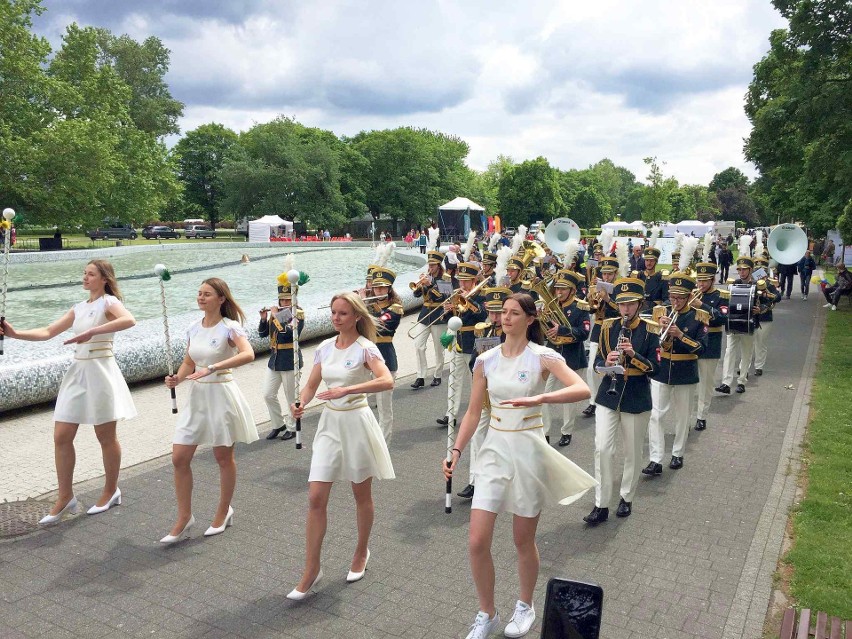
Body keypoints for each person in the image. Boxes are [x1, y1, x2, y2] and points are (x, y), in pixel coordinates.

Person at [443, 294, 596, 639]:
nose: (505, 318)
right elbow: (473, 411)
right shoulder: (485, 360)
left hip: (528, 449)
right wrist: (456, 450)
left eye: (514, 313)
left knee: (522, 540)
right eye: (502, 313)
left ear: (530, 319)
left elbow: (582, 388)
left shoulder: (543, 356)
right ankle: (487, 612)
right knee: (477, 540)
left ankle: (525, 605)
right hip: (495, 450)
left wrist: (541, 397)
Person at [0, 260, 136, 524]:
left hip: (101, 371)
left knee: (105, 436)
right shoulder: (78, 308)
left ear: (104, 279)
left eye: (91, 274)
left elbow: (129, 320)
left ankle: (110, 491)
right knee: (61, 435)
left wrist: (92, 332)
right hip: (78, 372)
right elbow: (48, 331)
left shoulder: (108, 303)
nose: (85, 278)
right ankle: (65, 497)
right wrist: (14, 333)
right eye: (84, 273)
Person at [287, 292, 394, 600]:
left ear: (357, 317)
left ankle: (361, 551)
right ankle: (311, 569)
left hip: (357, 423)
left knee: (361, 493)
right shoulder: (323, 348)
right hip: (330, 426)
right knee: (316, 496)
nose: (336, 318)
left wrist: (348, 388)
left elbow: (386, 380)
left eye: (343, 313)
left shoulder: (366, 349)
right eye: (334, 312)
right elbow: (310, 385)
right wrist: (301, 403)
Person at [161, 278, 258, 544]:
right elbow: (188, 361)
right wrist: (177, 379)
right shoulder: (193, 327)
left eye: (207, 294)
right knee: (179, 457)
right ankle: (184, 517)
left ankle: (223, 510)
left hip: (221, 394)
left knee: (223, 457)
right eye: (199, 293)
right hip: (197, 397)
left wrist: (214, 368)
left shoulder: (230, 327)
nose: (201, 298)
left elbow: (248, 353)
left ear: (221, 299)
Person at [584, 277, 659, 524]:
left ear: (640, 304)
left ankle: (626, 497)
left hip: (636, 397)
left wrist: (632, 355)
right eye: (621, 304)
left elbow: (655, 369)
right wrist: (605, 364)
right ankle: (601, 503)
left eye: (630, 304)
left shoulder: (650, 330)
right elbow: (596, 364)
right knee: (602, 449)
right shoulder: (607, 326)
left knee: (633, 453)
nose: (625, 309)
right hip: (608, 394)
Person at [643, 273, 707, 474]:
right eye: (672, 297)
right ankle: (655, 459)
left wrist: (681, 335)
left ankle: (678, 453)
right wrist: (657, 330)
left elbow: (701, 348)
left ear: (689, 297)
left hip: (685, 372)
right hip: (662, 371)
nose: (675, 302)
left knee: (682, 416)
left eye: (680, 298)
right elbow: (651, 342)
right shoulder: (660, 312)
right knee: (656, 415)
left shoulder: (699, 316)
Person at [457, 286, 510, 500]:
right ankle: (474, 481)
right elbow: (473, 362)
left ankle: (504, 478)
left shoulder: (514, 335)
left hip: (506, 396)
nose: (496, 317)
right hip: (485, 395)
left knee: (503, 440)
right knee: (478, 437)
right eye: (493, 312)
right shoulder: (484, 331)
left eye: (500, 312)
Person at [543, 270, 591, 448]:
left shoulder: (580, 308)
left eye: (563, 289)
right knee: (545, 395)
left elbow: (584, 333)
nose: (559, 292)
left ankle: (566, 431)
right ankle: (545, 432)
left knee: (568, 399)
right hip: (552, 357)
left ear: (572, 290)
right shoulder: (551, 306)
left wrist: (562, 330)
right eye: (557, 289)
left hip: (572, 358)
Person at [437, 263, 487, 429]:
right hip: (458, 342)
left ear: (474, 280)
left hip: (474, 343)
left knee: (476, 382)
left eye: (466, 281)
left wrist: (468, 299)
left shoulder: (482, 295)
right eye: (460, 281)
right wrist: (447, 311)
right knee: (454, 380)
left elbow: (482, 313)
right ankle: (450, 415)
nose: (462, 285)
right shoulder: (456, 295)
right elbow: (450, 322)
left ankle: (478, 413)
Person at [258, 274, 305, 441]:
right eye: (282, 300)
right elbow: (263, 334)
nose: (285, 303)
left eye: (287, 300)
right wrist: (264, 319)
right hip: (275, 360)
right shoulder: (278, 314)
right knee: (268, 394)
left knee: (291, 397)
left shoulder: (297, 313)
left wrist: (276, 316)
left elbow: (288, 334)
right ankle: (278, 424)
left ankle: (292, 427)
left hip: (290, 360)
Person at [367, 267, 403, 443]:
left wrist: (362, 305)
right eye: (376, 287)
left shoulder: (395, 308)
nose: (378, 291)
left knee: (384, 408)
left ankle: (384, 445)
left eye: (382, 287)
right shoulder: (368, 305)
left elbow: (380, 324)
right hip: (366, 360)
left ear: (389, 289)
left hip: (385, 359)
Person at [691, 263, 728, 431]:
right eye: (699, 280)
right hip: (691, 343)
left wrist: (702, 306)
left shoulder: (721, 295)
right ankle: (688, 416)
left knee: (706, 383)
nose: (701, 284)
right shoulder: (691, 294)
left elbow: (722, 318)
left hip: (710, 343)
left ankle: (701, 416)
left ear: (713, 280)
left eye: (705, 281)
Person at [582, 255, 620, 419]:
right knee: (592, 368)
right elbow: (590, 310)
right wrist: (592, 299)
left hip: (614, 328)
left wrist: (608, 299)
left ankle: (613, 396)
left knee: (613, 365)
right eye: (604, 274)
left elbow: (621, 310)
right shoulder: (596, 286)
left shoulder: (620, 288)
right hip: (598, 327)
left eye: (609, 274)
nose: (606, 277)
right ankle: (593, 401)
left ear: (615, 273)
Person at [716, 255, 758, 395]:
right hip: (733, 323)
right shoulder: (733, 285)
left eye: (744, 269)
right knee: (729, 352)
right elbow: (726, 301)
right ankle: (726, 383)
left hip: (748, 323)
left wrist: (761, 308)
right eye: (739, 269)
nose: (741, 272)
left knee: (746, 353)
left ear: (750, 270)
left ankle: (741, 382)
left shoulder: (758, 285)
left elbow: (770, 299)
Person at [410, 250, 449, 389]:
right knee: (418, 345)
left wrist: (431, 284)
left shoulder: (445, 278)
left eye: (433, 265)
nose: (430, 267)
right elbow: (415, 295)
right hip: (425, 315)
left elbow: (444, 298)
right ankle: (421, 376)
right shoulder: (426, 277)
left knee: (439, 348)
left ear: (439, 265)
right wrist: (420, 284)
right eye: (429, 264)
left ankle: (437, 375)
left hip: (439, 315)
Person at [751, 256, 782, 375]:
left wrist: (768, 294)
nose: (759, 274)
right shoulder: (750, 283)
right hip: (751, 316)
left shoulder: (768, 284)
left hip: (765, 317)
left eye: (761, 270)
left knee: (760, 343)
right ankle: (744, 366)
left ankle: (759, 366)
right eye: (756, 270)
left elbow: (777, 297)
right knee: (748, 342)